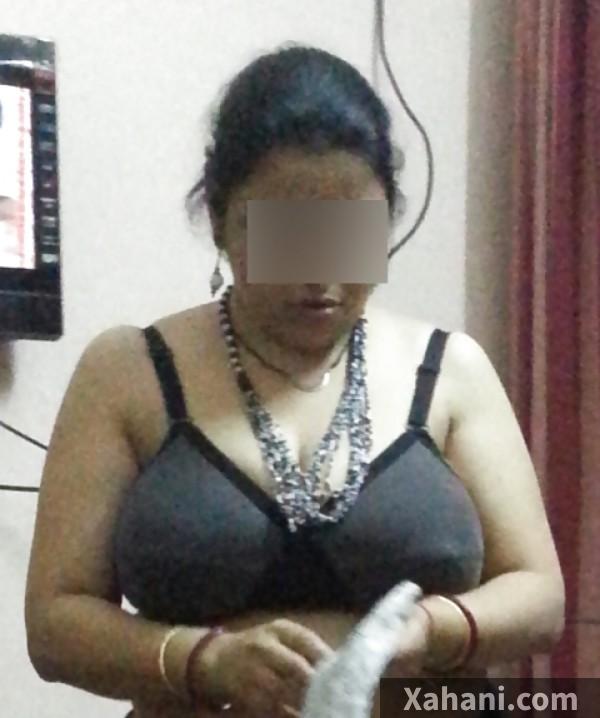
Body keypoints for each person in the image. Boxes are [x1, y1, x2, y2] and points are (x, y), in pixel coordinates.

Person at [24, 45, 564, 718]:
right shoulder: (128, 371)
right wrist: (203, 660)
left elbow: (540, 596)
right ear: (220, 221)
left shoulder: (451, 369)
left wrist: (430, 629)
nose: (319, 273)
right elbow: (55, 622)